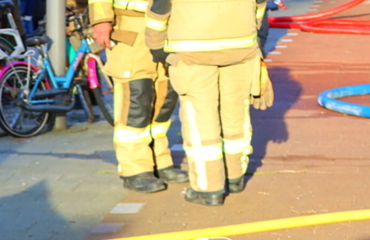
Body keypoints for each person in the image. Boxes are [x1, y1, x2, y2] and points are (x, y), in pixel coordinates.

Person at [145, 0, 272, 205]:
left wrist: (155, 46)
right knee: (235, 113)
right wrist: (249, 31)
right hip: (241, 49)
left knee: (200, 119)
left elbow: (160, 8)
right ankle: (235, 177)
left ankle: (208, 188)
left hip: (192, 54)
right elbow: (259, 4)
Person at [90, 0, 190, 193]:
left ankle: (160, 161)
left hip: (168, 27)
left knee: (165, 99)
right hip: (131, 27)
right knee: (136, 100)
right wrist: (101, 20)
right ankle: (134, 169)